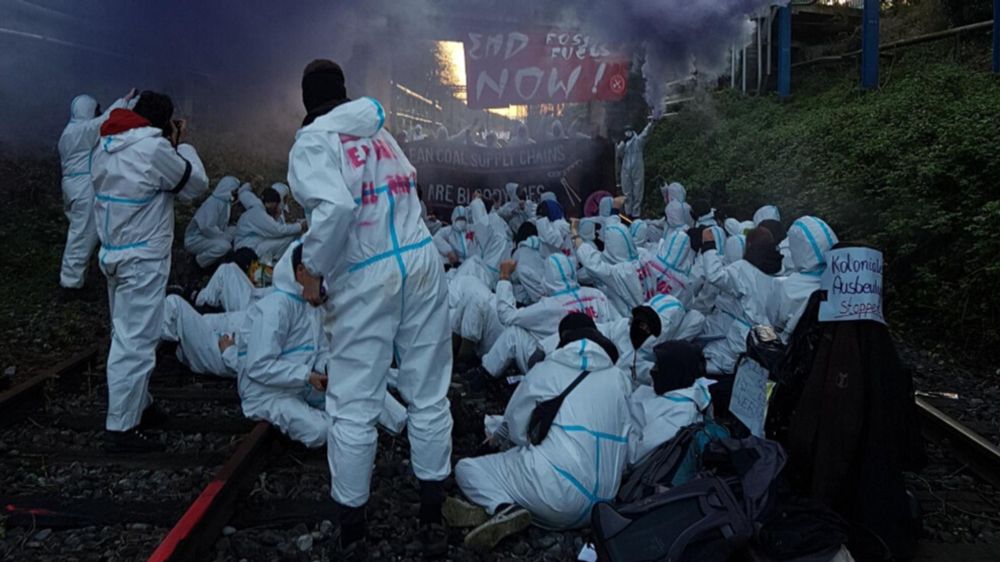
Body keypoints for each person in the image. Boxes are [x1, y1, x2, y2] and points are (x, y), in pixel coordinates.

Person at [287, 59, 453, 556]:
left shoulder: (313, 142)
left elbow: (336, 208)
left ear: (306, 100)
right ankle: (431, 513)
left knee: (355, 405)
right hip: (420, 260)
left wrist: (312, 269)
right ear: (343, 92)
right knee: (428, 390)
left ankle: (354, 531)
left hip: (365, 273)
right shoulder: (380, 133)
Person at [451, 313, 631, 549]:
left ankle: (502, 508)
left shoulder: (547, 370)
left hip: (557, 497)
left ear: (563, 339)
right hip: (603, 507)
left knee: (467, 469)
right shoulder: (620, 378)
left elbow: (515, 428)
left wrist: (498, 442)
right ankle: (497, 510)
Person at [92, 91, 209, 451]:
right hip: (142, 259)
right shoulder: (153, 149)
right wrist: (181, 145)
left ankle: (139, 404)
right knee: (137, 342)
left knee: (127, 332)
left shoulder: (105, 146)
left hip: (113, 253)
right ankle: (122, 428)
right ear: (163, 121)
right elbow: (194, 185)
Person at [231, 244, 407, 448]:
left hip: (299, 384)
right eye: (321, 278)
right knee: (321, 430)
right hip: (267, 393)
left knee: (357, 383)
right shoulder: (275, 308)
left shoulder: (310, 305)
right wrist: (306, 375)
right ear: (301, 271)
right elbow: (258, 366)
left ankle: (405, 424)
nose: (326, 286)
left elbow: (319, 351)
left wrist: (330, 367)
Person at [468, 254, 618, 381]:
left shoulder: (549, 306)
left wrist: (504, 277)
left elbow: (506, 315)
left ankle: (484, 374)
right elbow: (615, 324)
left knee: (514, 332)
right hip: (602, 360)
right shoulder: (597, 295)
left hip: (559, 367)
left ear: (547, 276)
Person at [57, 89, 136, 291]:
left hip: (72, 186)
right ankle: (70, 284)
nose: (97, 111)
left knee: (79, 231)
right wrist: (125, 101)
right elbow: (105, 120)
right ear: (88, 110)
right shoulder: (80, 131)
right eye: (95, 109)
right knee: (81, 235)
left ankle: (77, 276)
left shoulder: (70, 131)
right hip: (83, 187)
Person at [700, 227, 782, 374]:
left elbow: (714, 276)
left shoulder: (743, 269)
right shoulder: (778, 276)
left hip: (733, 336)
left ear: (750, 246)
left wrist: (709, 247)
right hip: (758, 340)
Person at [627, 341, 714, 465]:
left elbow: (635, 456)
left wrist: (618, 424)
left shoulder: (679, 415)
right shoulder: (670, 387)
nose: (652, 370)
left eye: (658, 366)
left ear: (673, 371)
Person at [767, 216, 838, 341]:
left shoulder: (785, 287)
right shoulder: (845, 281)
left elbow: (775, 322)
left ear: (795, 247)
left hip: (796, 354)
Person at [574, 222, 650, 317]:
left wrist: (575, 235)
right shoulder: (643, 256)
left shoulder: (620, 272)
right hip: (648, 312)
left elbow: (592, 263)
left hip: (628, 318)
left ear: (611, 245)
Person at [161, 294, 245, 377]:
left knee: (174, 303)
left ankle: (152, 349)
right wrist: (200, 321)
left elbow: (253, 369)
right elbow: (233, 320)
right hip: (222, 338)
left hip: (222, 354)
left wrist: (229, 351)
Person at [234, 186, 306, 263]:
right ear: (268, 203)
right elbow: (279, 230)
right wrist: (300, 226)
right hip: (246, 249)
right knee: (288, 238)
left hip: (254, 242)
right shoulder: (259, 213)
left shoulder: (260, 209)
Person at [183, 176, 242, 269]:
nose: (236, 193)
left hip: (212, 235)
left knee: (236, 230)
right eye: (235, 190)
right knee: (224, 246)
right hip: (195, 238)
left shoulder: (225, 203)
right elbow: (207, 227)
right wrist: (224, 237)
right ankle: (199, 262)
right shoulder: (213, 203)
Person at [194, 247, 265, 312]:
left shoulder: (229, 272)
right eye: (255, 268)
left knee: (226, 270)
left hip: (252, 312)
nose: (258, 270)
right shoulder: (239, 285)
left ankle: (198, 296)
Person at [617, 120, 654, 217]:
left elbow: (646, 133)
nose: (627, 132)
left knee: (637, 192)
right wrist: (623, 142)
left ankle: (636, 214)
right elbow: (618, 154)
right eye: (626, 130)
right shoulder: (623, 144)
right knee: (627, 193)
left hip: (637, 169)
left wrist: (651, 123)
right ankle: (628, 214)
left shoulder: (638, 141)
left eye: (629, 130)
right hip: (626, 170)